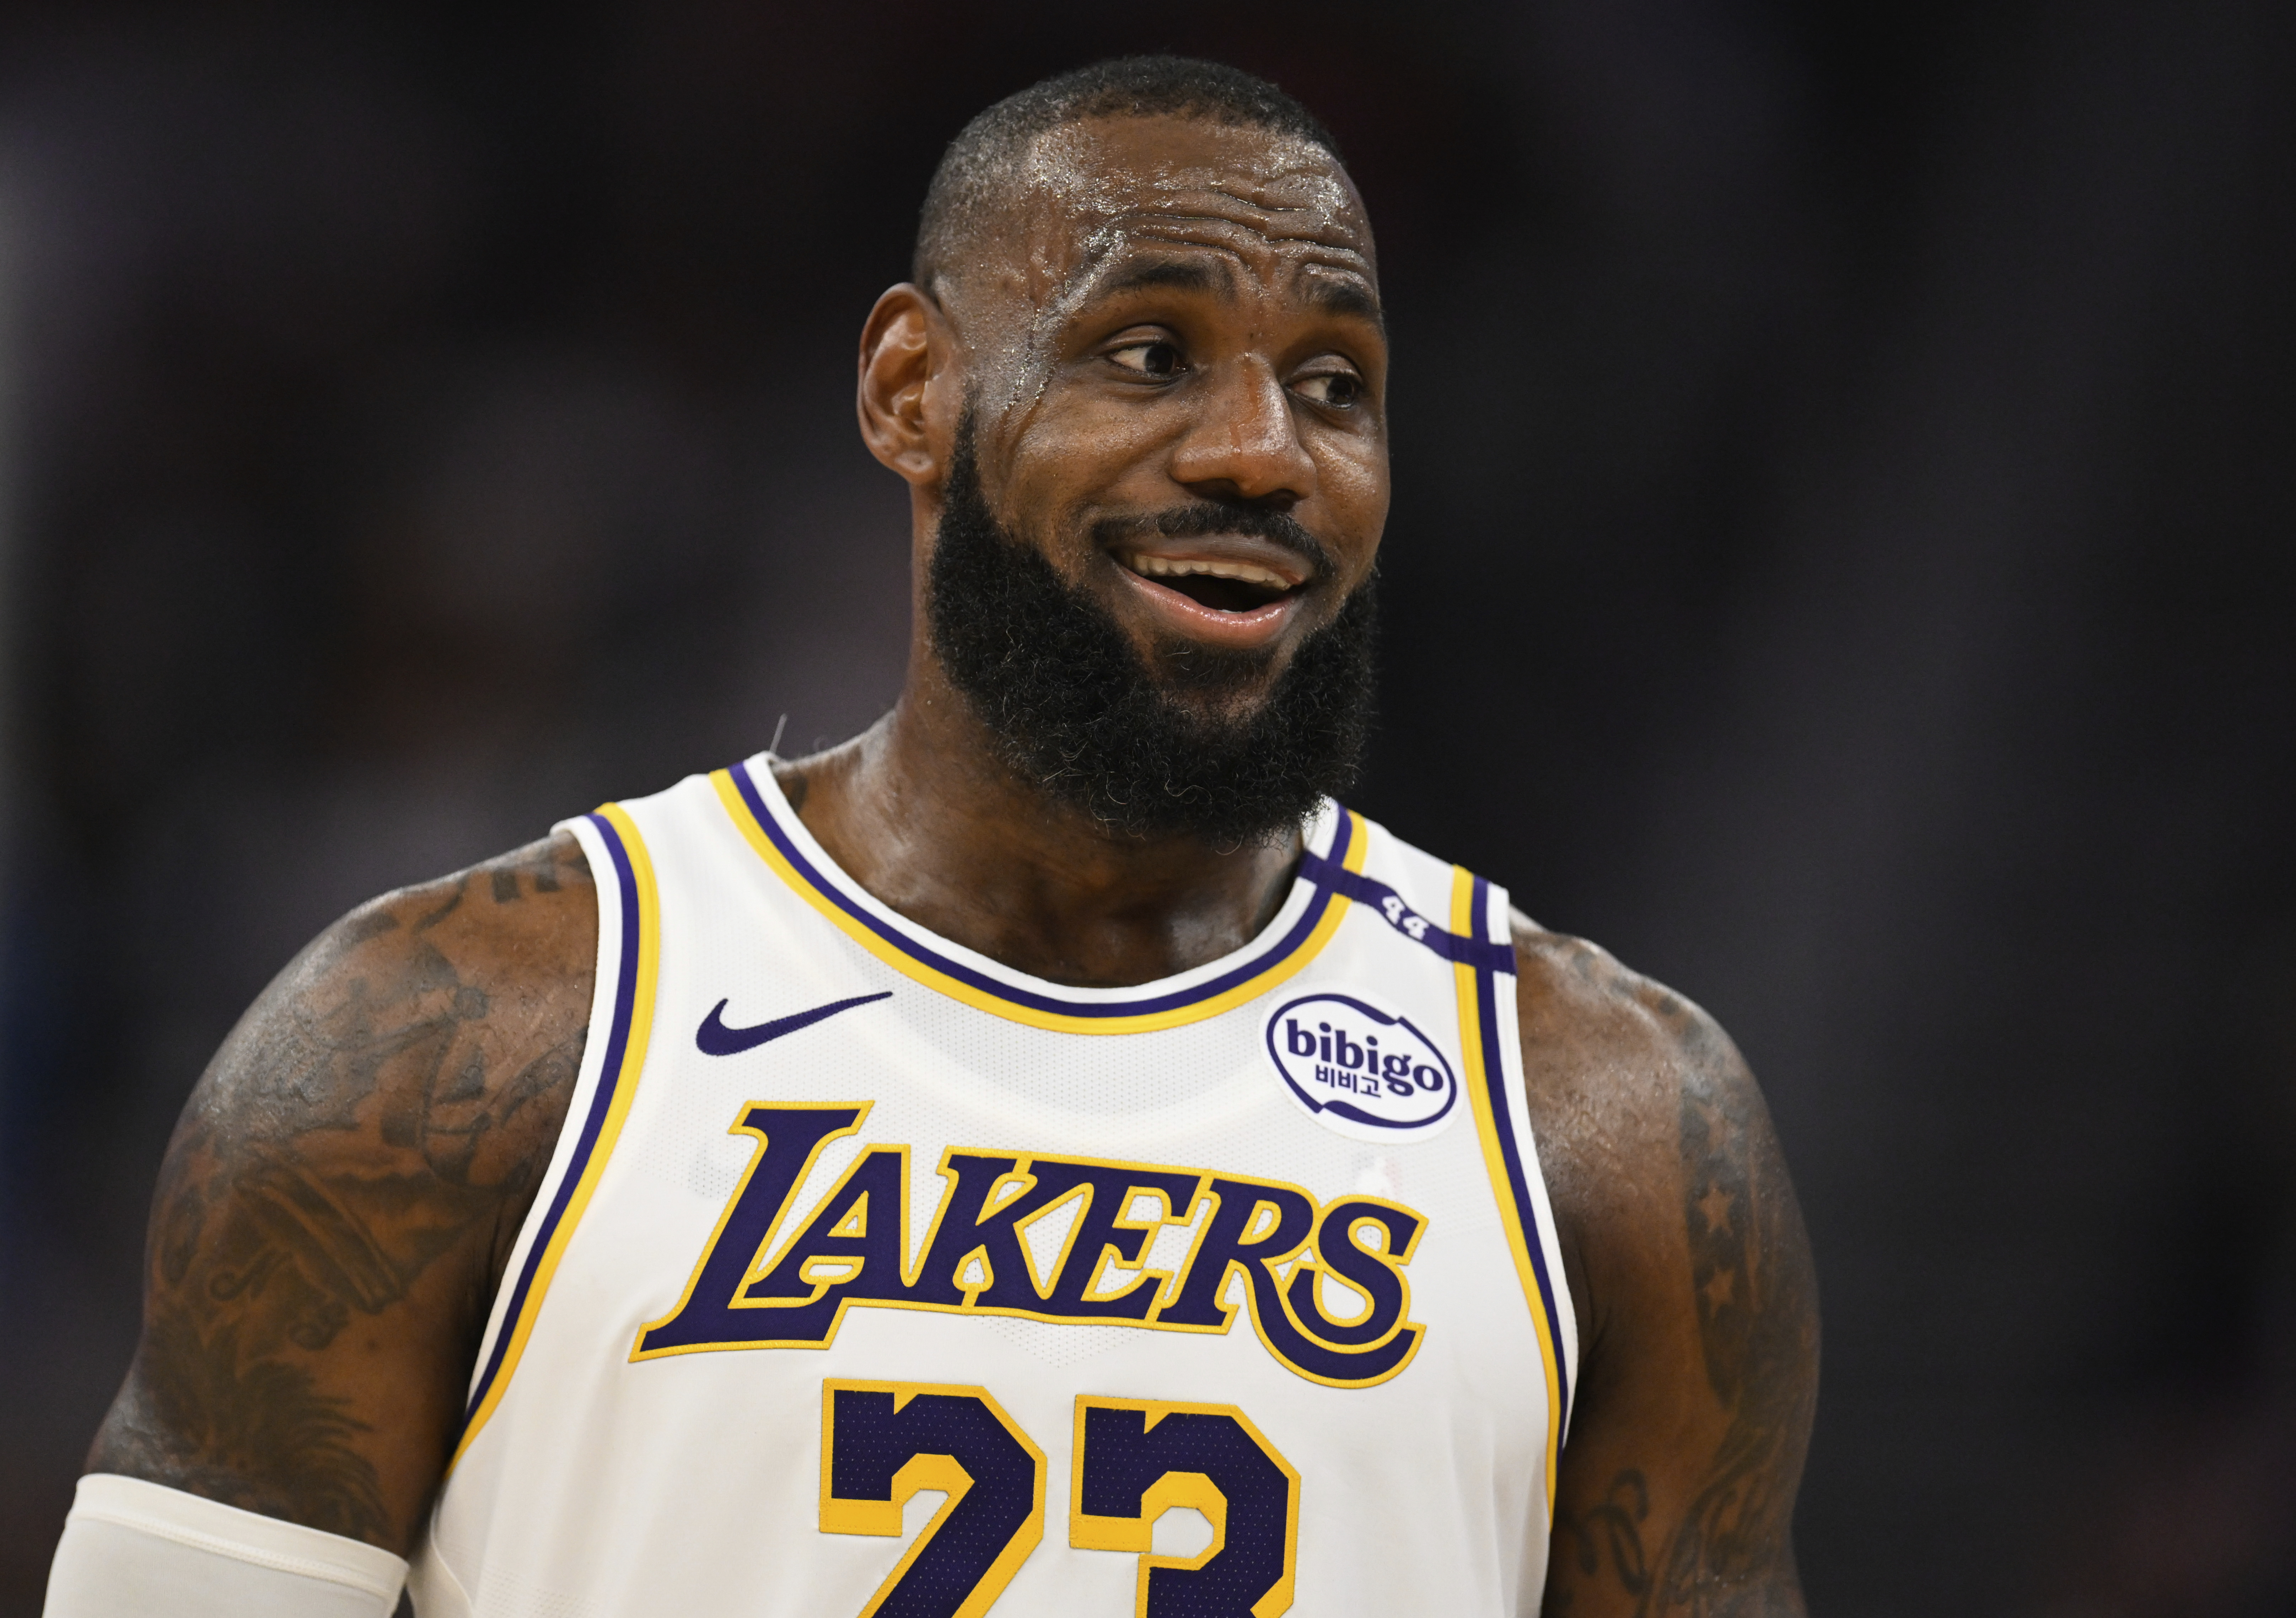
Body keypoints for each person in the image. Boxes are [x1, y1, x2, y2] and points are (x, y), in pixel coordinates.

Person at [44, 55, 1817, 1618]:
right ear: (911, 389)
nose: (1265, 451)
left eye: (1337, 382)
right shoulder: (455, 1042)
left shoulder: (1607, 1125)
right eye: (1151, 352)